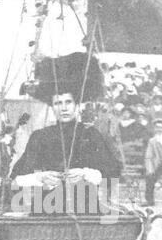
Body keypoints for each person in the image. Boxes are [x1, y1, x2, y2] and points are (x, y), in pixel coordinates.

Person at [10, 52, 121, 215]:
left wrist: (85, 174)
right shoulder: (40, 137)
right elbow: (17, 178)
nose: (63, 108)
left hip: (86, 208)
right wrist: (41, 177)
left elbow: (113, 172)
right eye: (57, 103)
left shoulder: (90, 135)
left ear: (76, 105)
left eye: (68, 102)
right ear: (52, 107)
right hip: (46, 208)